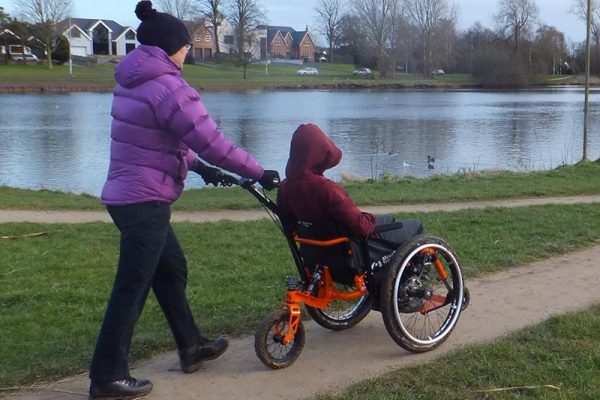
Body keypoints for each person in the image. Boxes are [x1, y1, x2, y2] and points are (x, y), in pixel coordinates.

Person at [89, 2, 279, 399]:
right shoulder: (170, 86)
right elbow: (212, 141)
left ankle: (191, 346)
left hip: (128, 197)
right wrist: (258, 171)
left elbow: (156, 139)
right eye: (186, 46)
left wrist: (198, 168)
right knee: (132, 287)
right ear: (171, 47)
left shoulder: (134, 80)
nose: (188, 52)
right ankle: (107, 375)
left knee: (170, 269)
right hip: (144, 201)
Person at [277, 123, 422, 258]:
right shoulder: (326, 189)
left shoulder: (285, 188)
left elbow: (291, 227)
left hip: (317, 255)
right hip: (347, 255)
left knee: (389, 220)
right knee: (414, 226)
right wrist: (368, 218)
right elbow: (361, 227)